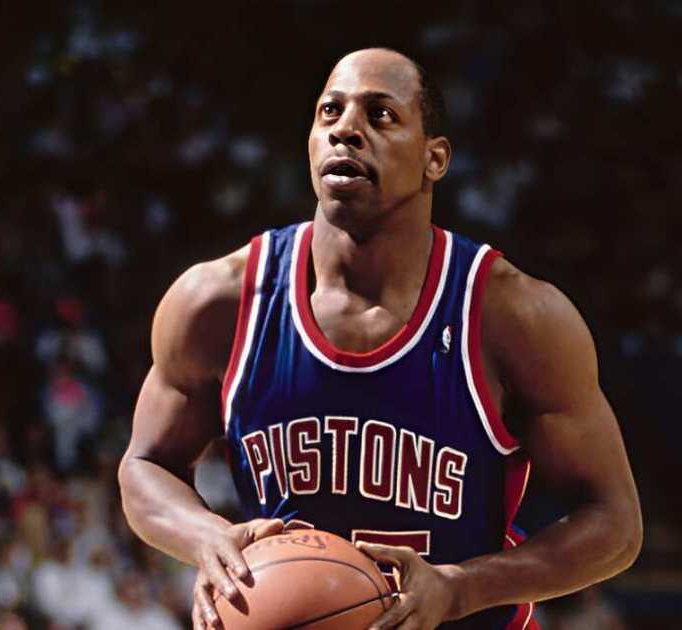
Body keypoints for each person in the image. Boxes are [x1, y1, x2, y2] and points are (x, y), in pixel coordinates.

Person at [119, 47, 642, 630]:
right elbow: (145, 465)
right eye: (329, 112)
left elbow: (615, 523)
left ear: (434, 158)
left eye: (380, 115)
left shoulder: (512, 314)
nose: (346, 129)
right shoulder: (218, 302)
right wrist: (207, 536)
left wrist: (464, 588)